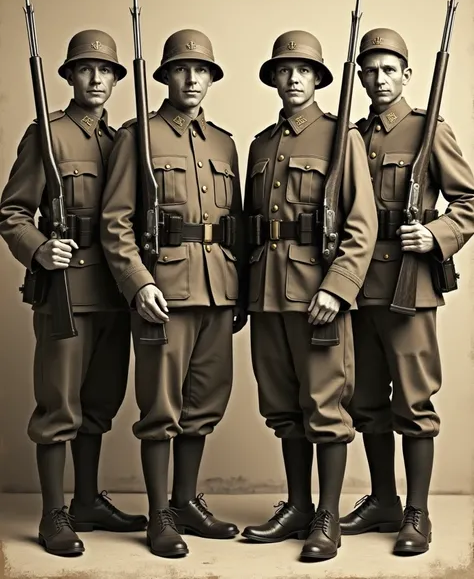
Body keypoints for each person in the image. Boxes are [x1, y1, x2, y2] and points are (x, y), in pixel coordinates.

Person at [0, 30, 147, 556]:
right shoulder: (48, 134)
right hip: (66, 289)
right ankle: (53, 514)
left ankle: (87, 499)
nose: (97, 79)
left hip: (116, 289)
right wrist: (39, 249)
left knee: (101, 403)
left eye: (106, 71)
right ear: (68, 76)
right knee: (59, 407)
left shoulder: (126, 140)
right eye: (86, 69)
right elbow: (12, 212)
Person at [100, 29, 245, 559]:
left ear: (211, 78)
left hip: (218, 291)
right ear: (164, 77)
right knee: (160, 407)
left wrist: (241, 296)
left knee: (204, 403)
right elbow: (115, 222)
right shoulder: (136, 136)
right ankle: (159, 514)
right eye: (182, 69)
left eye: (202, 70)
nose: (193, 78)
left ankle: (186, 502)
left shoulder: (224, 142)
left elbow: (239, 225)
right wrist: (138, 283)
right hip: (164, 291)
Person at [240, 30, 377, 561]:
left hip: (317, 295)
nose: (293, 78)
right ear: (273, 77)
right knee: (281, 407)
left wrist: (338, 290)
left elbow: (360, 227)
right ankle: (297, 506)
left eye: (304, 71)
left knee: (325, 409)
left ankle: (326, 517)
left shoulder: (343, 138)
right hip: (267, 295)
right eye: (284, 70)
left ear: (319, 79)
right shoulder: (260, 144)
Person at [340, 28, 474, 555]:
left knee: (414, 402)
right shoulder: (349, 134)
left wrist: (436, 234)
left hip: (409, 286)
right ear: (359, 77)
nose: (378, 79)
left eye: (388, 69)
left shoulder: (428, 130)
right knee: (366, 401)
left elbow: (469, 201)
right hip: (357, 285)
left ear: (407, 75)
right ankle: (382, 501)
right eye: (369, 70)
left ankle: (417, 513)